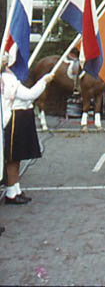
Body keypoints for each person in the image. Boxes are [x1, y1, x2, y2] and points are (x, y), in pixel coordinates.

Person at [2, 54, 54, 204]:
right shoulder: (7, 79)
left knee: (17, 158)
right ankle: (11, 193)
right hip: (14, 119)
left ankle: (16, 189)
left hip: (20, 117)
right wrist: (43, 81)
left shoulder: (10, 77)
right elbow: (29, 95)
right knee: (12, 158)